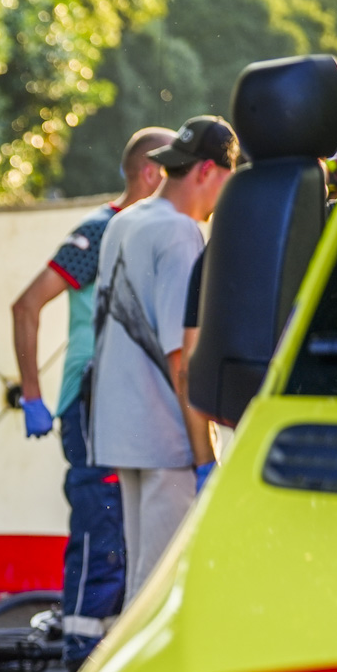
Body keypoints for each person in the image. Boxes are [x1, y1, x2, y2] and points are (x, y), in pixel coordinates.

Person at [9, 127, 173, 672]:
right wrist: (33, 396)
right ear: (150, 173)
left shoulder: (158, 232)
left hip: (129, 400)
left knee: (128, 530)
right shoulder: (101, 230)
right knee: (101, 525)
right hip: (91, 398)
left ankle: (114, 654)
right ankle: (83, 659)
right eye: (173, 170)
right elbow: (27, 305)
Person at [92, 115, 237, 595]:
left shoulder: (124, 221)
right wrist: (205, 457)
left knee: (140, 576)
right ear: (208, 171)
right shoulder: (180, 233)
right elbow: (183, 358)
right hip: (166, 439)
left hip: (121, 430)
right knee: (160, 589)